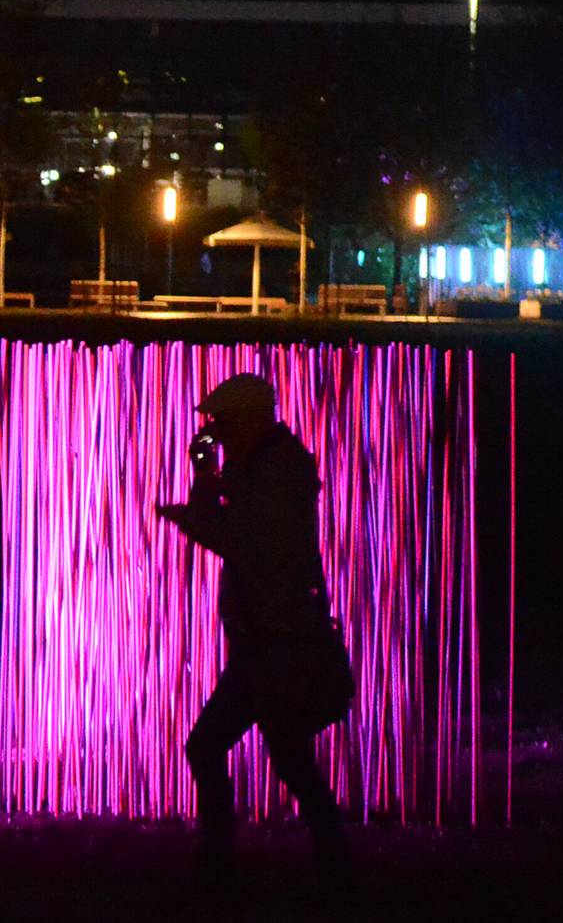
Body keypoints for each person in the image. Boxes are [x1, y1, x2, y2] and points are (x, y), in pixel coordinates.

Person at [157, 374, 349, 891]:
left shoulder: (279, 470)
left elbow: (243, 541)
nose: (215, 432)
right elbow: (234, 521)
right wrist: (206, 478)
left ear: (248, 419)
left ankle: (222, 865)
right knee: (285, 755)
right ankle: (329, 865)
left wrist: (195, 517)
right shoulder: (266, 465)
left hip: (277, 642)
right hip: (268, 640)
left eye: (220, 423)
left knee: (217, 746)